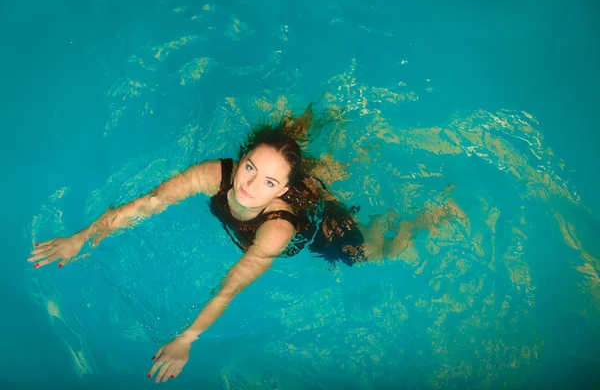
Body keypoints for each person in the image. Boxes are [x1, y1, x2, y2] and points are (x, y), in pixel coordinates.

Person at [27, 104, 464, 382]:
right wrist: (80, 238)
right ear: (243, 159)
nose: (249, 185)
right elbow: (147, 203)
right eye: (250, 167)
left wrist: (189, 338)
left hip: (323, 231)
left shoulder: (277, 229)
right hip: (296, 191)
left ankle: (422, 219)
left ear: (281, 191)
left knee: (370, 254)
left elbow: (231, 287)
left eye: (268, 181)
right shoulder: (212, 174)